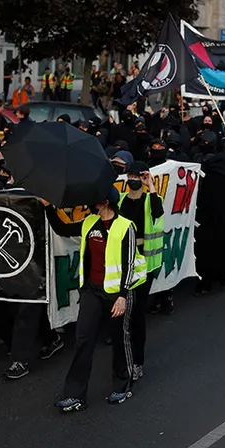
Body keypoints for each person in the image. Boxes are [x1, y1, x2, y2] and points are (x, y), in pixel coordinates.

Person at [44, 186, 145, 411]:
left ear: (107, 202)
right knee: (83, 340)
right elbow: (62, 228)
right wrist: (48, 207)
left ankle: (122, 385)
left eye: (95, 201)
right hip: (92, 291)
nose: (91, 204)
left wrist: (122, 296)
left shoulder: (125, 227)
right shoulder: (90, 223)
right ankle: (75, 395)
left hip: (117, 294)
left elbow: (129, 264)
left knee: (121, 338)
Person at [117, 162, 164, 380]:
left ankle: (137, 362)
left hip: (145, 265)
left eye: (138, 175)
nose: (133, 178)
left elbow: (158, 212)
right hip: (122, 264)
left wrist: (151, 186)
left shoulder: (151, 200)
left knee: (137, 313)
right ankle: (122, 358)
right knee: (122, 311)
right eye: (131, 175)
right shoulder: (119, 201)